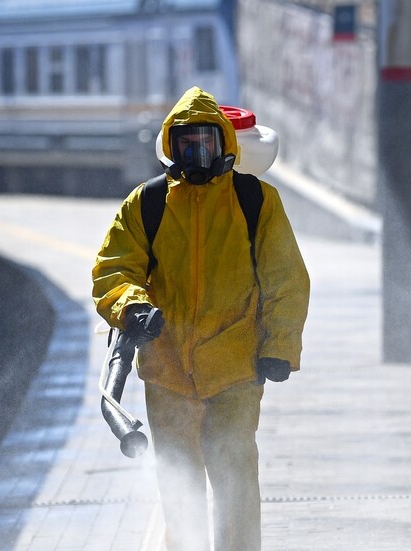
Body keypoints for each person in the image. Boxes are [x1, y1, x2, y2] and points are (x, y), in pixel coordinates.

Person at [92, 87, 310, 551]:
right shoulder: (147, 205)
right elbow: (114, 268)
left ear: (224, 146)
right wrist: (132, 305)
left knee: (235, 484)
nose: (197, 154)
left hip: (236, 371)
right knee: (179, 491)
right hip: (167, 374)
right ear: (171, 146)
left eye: (206, 144)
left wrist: (279, 349)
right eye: (186, 145)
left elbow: (286, 281)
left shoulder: (256, 203)